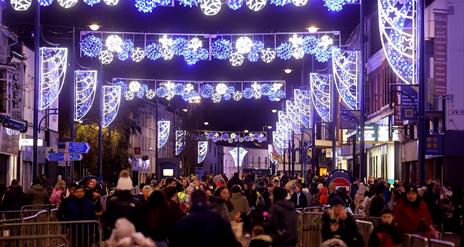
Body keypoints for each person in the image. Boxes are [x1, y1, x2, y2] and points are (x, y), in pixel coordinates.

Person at [170, 190, 241, 247]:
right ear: (206, 201)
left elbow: (175, 243)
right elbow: (230, 241)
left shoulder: (183, 222)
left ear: (191, 202)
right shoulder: (218, 219)